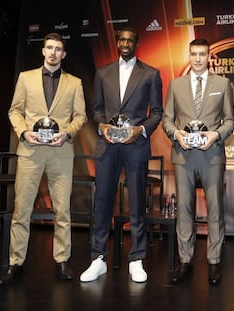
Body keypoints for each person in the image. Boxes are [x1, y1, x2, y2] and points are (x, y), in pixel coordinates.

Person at [0, 33, 87, 285]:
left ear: (64, 54)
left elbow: (80, 116)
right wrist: (24, 131)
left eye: (58, 49)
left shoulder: (75, 83)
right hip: (30, 151)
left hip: (60, 152)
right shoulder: (25, 78)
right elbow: (14, 110)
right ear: (43, 51)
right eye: (49, 48)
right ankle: (15, 263)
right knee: (21, 210)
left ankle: (61, 260)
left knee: (63, 211)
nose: (53, 53)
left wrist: (67, 133)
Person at [79, 27, 163, 283]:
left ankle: (136, 258)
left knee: (137, 201)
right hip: (108, 146)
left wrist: (141, 129)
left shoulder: (150, 74)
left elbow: (157, 112)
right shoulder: (103, 73)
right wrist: (102, 125)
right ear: (117, 43)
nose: (126, 43)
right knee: (102, 200)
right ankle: (98, 258)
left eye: (130, 39)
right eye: (122, 39)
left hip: (136, 146)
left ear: (136, 43)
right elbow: (97, 109)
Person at [162, 38, 234, 285]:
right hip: (183, 155)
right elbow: (167, 120)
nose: (198, 58)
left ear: (209, 56)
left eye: (202, 54)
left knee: (216, 209)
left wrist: (216, 135)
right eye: (193, 54)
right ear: (189, 55)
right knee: (184, 209)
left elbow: (230, 121)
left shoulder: (223, 84)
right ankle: (185, 261)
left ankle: (214, 262)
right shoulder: (175, 84)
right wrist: (176, 134)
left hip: (211, 154)